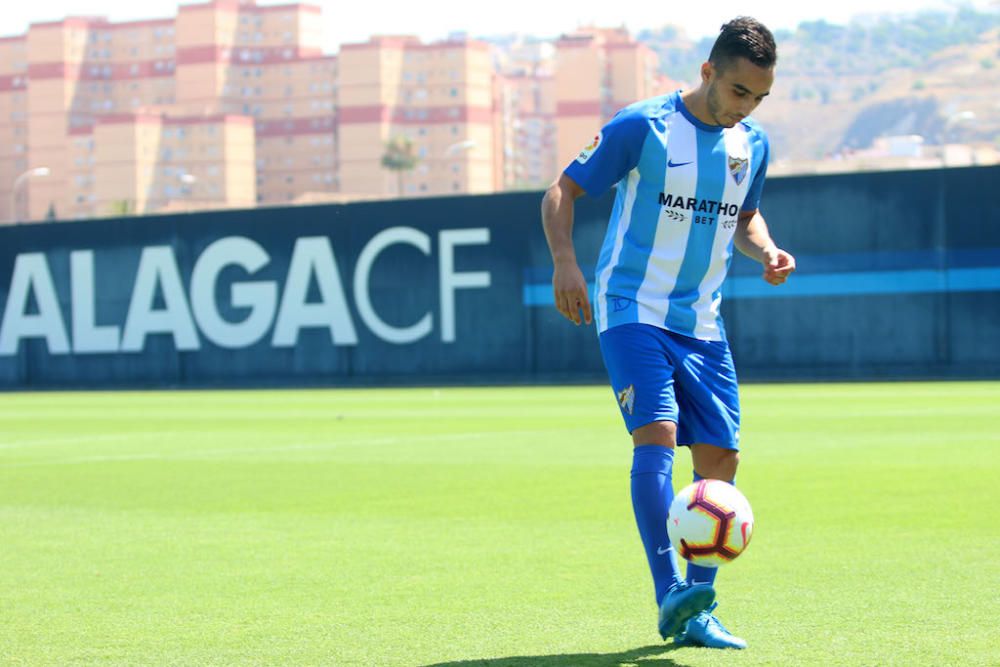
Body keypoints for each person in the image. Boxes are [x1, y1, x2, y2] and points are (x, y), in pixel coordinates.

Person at [540, 16, 795, 650]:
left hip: (702, 323)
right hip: (632, 307)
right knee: (657, 435)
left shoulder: (751, 144)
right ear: (708, 71)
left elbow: (747, 216)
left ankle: (698, 607)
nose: (747, 107)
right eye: (739, 91)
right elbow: (561, 191)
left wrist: (766, 250)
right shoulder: (643, 125)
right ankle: (668, 592)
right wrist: (565, 261)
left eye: (759, 97)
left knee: (721, 458)